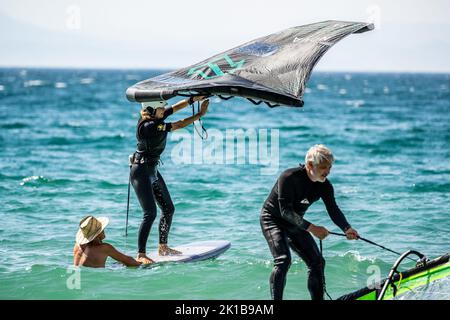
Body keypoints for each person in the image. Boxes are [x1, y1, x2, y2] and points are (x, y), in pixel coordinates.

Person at [260, 144, 359, 300]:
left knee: (317, 262)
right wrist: (312, 228)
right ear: (310, 165)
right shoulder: (288, 177)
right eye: (323, 167)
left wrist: (347, 228)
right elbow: (285, 211)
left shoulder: (325, 185)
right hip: (273, 220)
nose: (327, 172)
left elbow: (333, 209)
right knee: (283, 260)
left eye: (330, 168)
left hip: (295, 222)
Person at [131, 96, 209, 264]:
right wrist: (200, 114)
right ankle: (141, 254)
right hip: (141, 172)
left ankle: (163, 246)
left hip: (152, 170)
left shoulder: (155, 117)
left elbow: (174, 108)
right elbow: (179, 124)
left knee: (168, 209)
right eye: (161, 108)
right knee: (150, 213)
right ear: (152, 110)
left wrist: (193, 99)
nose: (164, 110)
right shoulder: (149, 125)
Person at [73, 215, 143, 268]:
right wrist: (143, 264)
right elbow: (127, 260)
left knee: (118, 264)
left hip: (80, 279)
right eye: (102, 230)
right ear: (98, 234)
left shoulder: (77, 246)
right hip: (97, 281)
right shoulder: (104, 248)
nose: (103, 231)